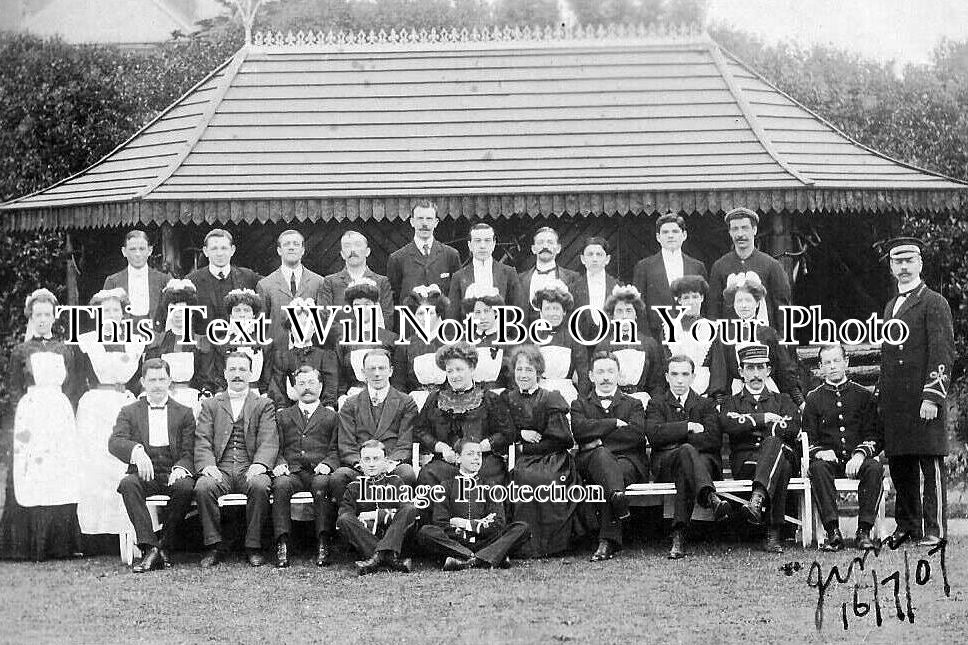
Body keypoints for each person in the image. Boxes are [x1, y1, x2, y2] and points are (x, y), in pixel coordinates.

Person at [878, 237, 955, 549]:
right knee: (901, 465)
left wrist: (932, 396)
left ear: (920, 264)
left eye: (910, 261)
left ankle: (934, 528)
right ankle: (908, 525)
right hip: (896, 402)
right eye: (898, 262)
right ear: (892, 267)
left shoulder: (934, 302)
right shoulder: (890, 305)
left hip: (923, 399)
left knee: (929, 462)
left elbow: (942, 352)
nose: (904, 267)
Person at [0, 289, 81, 560]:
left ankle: (60, 544)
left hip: (58, 414)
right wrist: (23, 421)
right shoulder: (21, 351)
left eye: (48, 314)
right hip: (31, 415)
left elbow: (71, 385)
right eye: (38, 315)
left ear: (54, 317)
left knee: (59, 472)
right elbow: (14, 389)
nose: (43, 319)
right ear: (31, 318)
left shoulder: (64, 349)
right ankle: (27, 545)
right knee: (31, 473)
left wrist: (60, 411)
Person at [109, 358, 196, 572]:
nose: (157, 385)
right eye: (152, 380)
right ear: (142, 382)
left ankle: (164, 545)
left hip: (172, 471)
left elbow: (190, 450)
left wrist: (181, 468)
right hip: (144, 472)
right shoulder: (129, 411)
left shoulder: (184, 412)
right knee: (128, 484)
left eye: (162, 379)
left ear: (170, 381)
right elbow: (115, 441)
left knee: (185, 487)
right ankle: (150, 547)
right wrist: (136, 451)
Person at [193, 351, 278, 567]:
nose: (237, 374)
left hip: (249, 466)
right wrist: (208, 465)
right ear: (224, 373)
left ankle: (253, 546)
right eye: (233, 369)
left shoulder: (263, 404)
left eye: (242, 369)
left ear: (251, 373)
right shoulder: (211, 404)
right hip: (220, 467)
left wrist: (259, 464)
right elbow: (202, 438)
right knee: (203, 487)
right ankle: (214, 546)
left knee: (260, 485)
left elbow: (269, 438)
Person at [75, 288, 144, 537]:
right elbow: (77, 376)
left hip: (123, 403)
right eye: (105, 310)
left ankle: (127, 527)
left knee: (122, 464)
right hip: (95, 405)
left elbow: (138, 377)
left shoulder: (135, 340)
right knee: (96, 464)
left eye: (115, 309)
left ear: (123, 313)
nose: (111, 315)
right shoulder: (86, 341)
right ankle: (96, 532)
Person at [719, 344, 800, 553]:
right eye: (750, 368)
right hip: (746, 462)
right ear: (741, 372)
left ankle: (757, 499)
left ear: (768, 370)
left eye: (760, 368)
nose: (755, 374)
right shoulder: (731, 402)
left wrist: (748, 424)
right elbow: (729, 424)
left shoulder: (782, 399)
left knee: (774, 446)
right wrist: (764, 418)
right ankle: (773, 533)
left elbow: (792, 427)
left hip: (778, 457)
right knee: (778, 456)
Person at [645, 355, 727, 559]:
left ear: (693, 377)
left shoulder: (706, 404)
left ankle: (678, 535)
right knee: (685, 453)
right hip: (666, 466)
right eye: (674, 374)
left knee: (685, 459)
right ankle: (709, 496)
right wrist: (688, 427)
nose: (679, 380)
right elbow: (654, 435)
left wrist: (675, 439)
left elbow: (713, 439)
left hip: (703, 464)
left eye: (684, 374)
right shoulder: (656, 404)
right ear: (666, 376)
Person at [803, 343, 884, 551]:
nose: (832, 366)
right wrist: (819, 452)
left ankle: (864, 532)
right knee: (818, 468)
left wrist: (860, 454)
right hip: (829, 462)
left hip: (857, 461)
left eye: (837, 361)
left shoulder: (863, 395)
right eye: (827, 363)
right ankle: (833, 533)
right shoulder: (813, 399)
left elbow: (874, 434)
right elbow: (806, 438)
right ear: (821, 367)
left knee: (874, 468)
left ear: (846, 362)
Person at [501, 345, 579, 557]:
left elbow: (563, 439)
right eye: (519, 369)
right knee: (523, 478)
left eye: (529, 370)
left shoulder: (551, 398)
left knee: (543, 480)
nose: (523, 374)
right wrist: (520, 433)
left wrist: (525, 446)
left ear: (538, 372)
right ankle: (524, 543)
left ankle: (551, 545)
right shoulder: (507, 399)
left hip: (553, 458)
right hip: (523, 459)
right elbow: (503, 431)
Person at [570, 351, 648, 562]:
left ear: (618, 375)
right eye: (600, 372)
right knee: (603, 460)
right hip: (590, 462)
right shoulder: (580, 404)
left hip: (627, 461)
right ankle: (617, 501)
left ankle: (607, 540)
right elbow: (579, 431)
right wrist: (613, 424)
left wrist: (598, 438)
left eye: (610, 371)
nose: (605, 377)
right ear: (591, 376)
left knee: (609, 470)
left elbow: (636, 434)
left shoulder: (634, 404)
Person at [418, 440, 532, 570]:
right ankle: (485, 557)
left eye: (479, 454)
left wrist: (465, 524)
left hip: (485, 541)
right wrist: (472, 529)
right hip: (456, 541)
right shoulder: (446, 486)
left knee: (522, 528)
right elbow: (440, 522)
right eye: (470, 454)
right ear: (458, 458)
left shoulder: (490, 486)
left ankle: (465, 559)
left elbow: (498, 523)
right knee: (426, 531)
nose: (476, 458)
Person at [331, 348, 418, 513]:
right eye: (371, 369)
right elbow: (346, 444)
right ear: (363, 372)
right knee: (339, 477)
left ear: (391, 371)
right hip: (361, 467)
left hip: (390, 466)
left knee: (406, 474)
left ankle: (394, 526)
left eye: (382, 368)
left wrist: (385, 465)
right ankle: (350, 525)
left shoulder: (406, 402)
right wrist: (364, 464)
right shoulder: (350, 404)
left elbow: (405, 443)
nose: (377, 373)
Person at [414, 342, 513, 487]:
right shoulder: (435, 399)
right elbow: (420, 430)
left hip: (481, 460)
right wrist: (441, 447)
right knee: (428, 475)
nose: (454, 375)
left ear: (472, 368)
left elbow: (506, 432)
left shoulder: (489, 398)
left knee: (489, 477)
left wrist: (479, 447)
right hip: (447, 461)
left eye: (459, 369)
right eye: (450, 371)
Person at [271, 366, 341, 568]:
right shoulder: (283, 415)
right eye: (301, 384)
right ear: (294, 387)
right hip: (292, 470)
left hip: (318, 470)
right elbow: (276, 447)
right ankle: (282, 542)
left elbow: (336, 449)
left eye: (311, 383)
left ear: (320, 386)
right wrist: (280, 464)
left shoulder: (331, 416)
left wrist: (329, 464)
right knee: (281, 485)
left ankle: (323, 541)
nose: (307, 388)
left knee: (322, 485)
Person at [707, 272, 803, 407]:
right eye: (739, 301)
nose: (744, 305)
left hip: (766, 389)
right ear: (733, 304)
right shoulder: (725, 334)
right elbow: (719, 371)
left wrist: (799, 400)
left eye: (748, 300)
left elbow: (784, 369)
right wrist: (719, 402)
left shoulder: (769, 333)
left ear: (757, 303)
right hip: (736, 392)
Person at [336, 440, 418, 575]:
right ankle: (387, 557)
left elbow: (406, 511)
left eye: (376, 459)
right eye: (367, 460)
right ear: (361, 463)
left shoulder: (396, 481)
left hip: (395, 539)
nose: (372, 464)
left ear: (386, 462)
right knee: (344, 519)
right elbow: (344, 516)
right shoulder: (354, 487)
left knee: (410, 509)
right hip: (366, 539)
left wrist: (376, 515)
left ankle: (378, 558)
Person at [708, 207, 791, 332]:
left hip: (764, 340)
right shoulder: (720, 266)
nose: (740, 234)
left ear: (754, 230)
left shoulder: (771, 265)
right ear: (730, 232)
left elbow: (782, 309)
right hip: (730, 340)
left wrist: (782, 342)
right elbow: (713, 309)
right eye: (735, 229)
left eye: (745, 228)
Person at [632, 213, 708, 338]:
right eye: (665, 232)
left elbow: (704, 306)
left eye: (675, 231)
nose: (670, 236)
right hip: (656, 337)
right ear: (658, 237)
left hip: (691, 336)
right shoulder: (644, 267)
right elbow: (639, 307)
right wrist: (648, 339)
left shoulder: (697, 266)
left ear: (684, 235)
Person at [591, 285, 667, 403]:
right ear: (613, 315)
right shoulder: (604, 346)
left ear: (636, 314)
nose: (624, 316)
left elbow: (657, 383)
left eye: (629, 311)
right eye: (619, 311)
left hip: (643, 401)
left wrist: (654, 405)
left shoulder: (649, 344)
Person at [265, 296, 338, 412]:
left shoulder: (325, 356)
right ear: (291, 329)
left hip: (320, 410)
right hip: (291, 410)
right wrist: (282, 408)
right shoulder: (282, 357)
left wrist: (328, 407)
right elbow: (277, 386)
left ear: (314, 328)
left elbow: (331, 384)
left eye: (306, 324)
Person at [145, 279, 207, 414]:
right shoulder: (157, 342)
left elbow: (204, 376)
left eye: (183, 309)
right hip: (162, 399)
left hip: (191, 399)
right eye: (173, 309)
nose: (178, 314)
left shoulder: (200, 342)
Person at [256, 229, 326, 347]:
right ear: (279, 250)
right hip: (277, 355)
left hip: (309, 353)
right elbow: (261, 326)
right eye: (286, 244)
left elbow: (324, 321)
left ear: (303, 250)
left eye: (296, 244)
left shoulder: (318, 282)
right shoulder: (265, 285)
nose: (291, 247)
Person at [387, 200, 461, 306]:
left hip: (442, 320)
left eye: (429, 219)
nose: (424, 223)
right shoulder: (397, 258)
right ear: (412, 222)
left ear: (436, 223)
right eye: (420, 218)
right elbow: (394, 298)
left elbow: (457, 295)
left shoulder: (451, 255)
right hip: (410, 320)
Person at [335, 278, 399, 400]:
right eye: (357, 305)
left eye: (367, 304)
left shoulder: (390, 338)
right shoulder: (343, 339)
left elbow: (398, 377)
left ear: (375, 306)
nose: (361, 309)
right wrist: (342, 396)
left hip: (385, 397)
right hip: (354, 397)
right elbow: (340, 375)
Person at [185, 228, 261, 330]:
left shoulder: (248, 277)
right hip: (205, 343)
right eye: (214, 248)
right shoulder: (191, 281)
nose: (219, 253)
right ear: (205, 251)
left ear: (232, 250)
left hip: (240, 342)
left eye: (224, 248)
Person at [447, 222, 525, 319]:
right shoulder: (458, 277)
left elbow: (519, 313)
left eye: (487, 240)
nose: (482, 246)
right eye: (478, 241)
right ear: (470, 245)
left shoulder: (509, 273)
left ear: (493, 244)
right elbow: (452, 318)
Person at [202, 288, 272, 395]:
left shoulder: (264, 343)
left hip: (256, 396)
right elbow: (217, 377)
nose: (242, 314)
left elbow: (268, 377)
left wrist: (264, 396)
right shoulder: (220, 343)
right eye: (237, 310)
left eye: (247, 310)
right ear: (230, 315)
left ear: (254, 314)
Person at [391, 285, 450, 410]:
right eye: (421, 313)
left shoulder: (451, 342)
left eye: (431, 313)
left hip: (447, 401)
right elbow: (399, 383)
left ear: (439, 314)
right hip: (415, 403)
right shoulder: (405, 345)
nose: (425, 318)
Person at [319, 231, 394, 329]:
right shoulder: (330, 282)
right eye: (347, 246)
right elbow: (324, 318)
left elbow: (387, 318)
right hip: (341, 342)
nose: (352, 250)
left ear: (367, 251)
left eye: (357, 245)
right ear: (342, 254)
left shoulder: (382, 282)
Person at [531, 280, 588, 404]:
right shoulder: (533, 336)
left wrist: (582, 404)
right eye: (547, 309)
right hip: (539, 394)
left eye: (556, 308)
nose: (552, 314)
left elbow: (583, 374)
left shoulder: (573, 337)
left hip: (566, 394)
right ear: (540, 312)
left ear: (564, 311)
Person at [102, 229, 172, 326]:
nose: (137, 254)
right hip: (124, 337)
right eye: (132, 249)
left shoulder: (164, 280)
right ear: (124, 252)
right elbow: (106, 318)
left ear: (150, 250)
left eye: (142, 249)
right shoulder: (113, 282)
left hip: (156, 337)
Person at [663, 276, 714, 394]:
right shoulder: (669, 328)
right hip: (675, 387)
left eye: (695, 296)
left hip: (704, 389)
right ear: (679, 301)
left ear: (702, 298)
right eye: (686, 298)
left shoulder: (711, 328)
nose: (691, 301)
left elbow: (717, 365)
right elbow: (665, 360)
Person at [519, 227, 581, 322]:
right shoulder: (519, 279)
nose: (545, 246)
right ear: (533, 249)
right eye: (540, 242)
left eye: (550, 242)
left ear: (558, 248)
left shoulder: (573, 278)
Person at [462, 283, 512, 390]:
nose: (483, 317)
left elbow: (512, 381)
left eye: (487, 311)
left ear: (495, 312)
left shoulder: (506, 342)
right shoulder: (466, 342)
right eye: (478, 312)